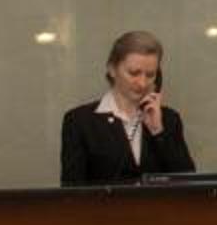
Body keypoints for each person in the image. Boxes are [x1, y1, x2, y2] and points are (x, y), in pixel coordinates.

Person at [60, 30, 196, 184]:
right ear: (112, 69)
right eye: (133, 73)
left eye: (150, 75)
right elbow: (72, 189)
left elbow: (188, 183)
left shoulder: (169, 119)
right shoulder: (80, 122)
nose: (142, 83)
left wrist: (158, 133)